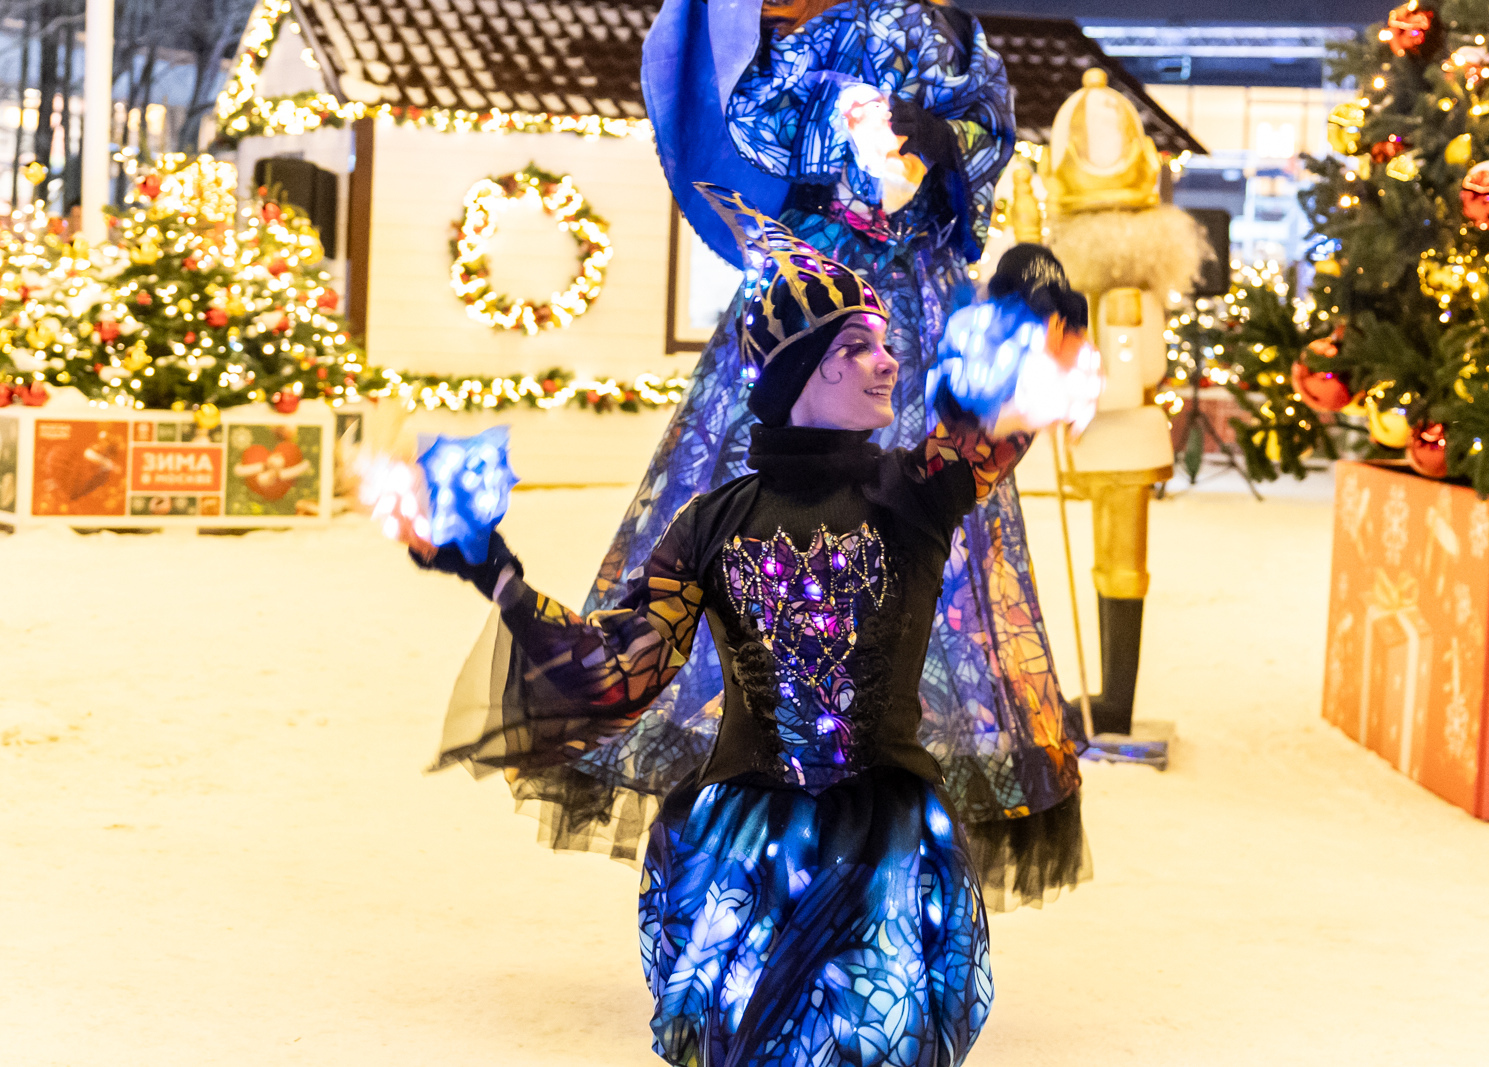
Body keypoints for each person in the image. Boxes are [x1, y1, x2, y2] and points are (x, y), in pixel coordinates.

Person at [418, 187, 1098, 1067]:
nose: (887, 361)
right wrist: (495, 572)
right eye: (856, 346)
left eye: (884, 342)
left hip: (886, 851)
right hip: (743, 854)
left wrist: (1030, 315)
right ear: (801, 371)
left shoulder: (917, 489)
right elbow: (620, 669)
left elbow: (1005, 413)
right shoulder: (711, 522)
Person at [564, 0, 1088, 912]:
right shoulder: (805, 28)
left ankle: (884, 801)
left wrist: (944, 140)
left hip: (920, 304)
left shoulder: (952, 31)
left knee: (922, 538)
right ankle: (762, 773)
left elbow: (990, 126)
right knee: (770, 519)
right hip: (815, 298)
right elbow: (754, 118)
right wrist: (847, 133)